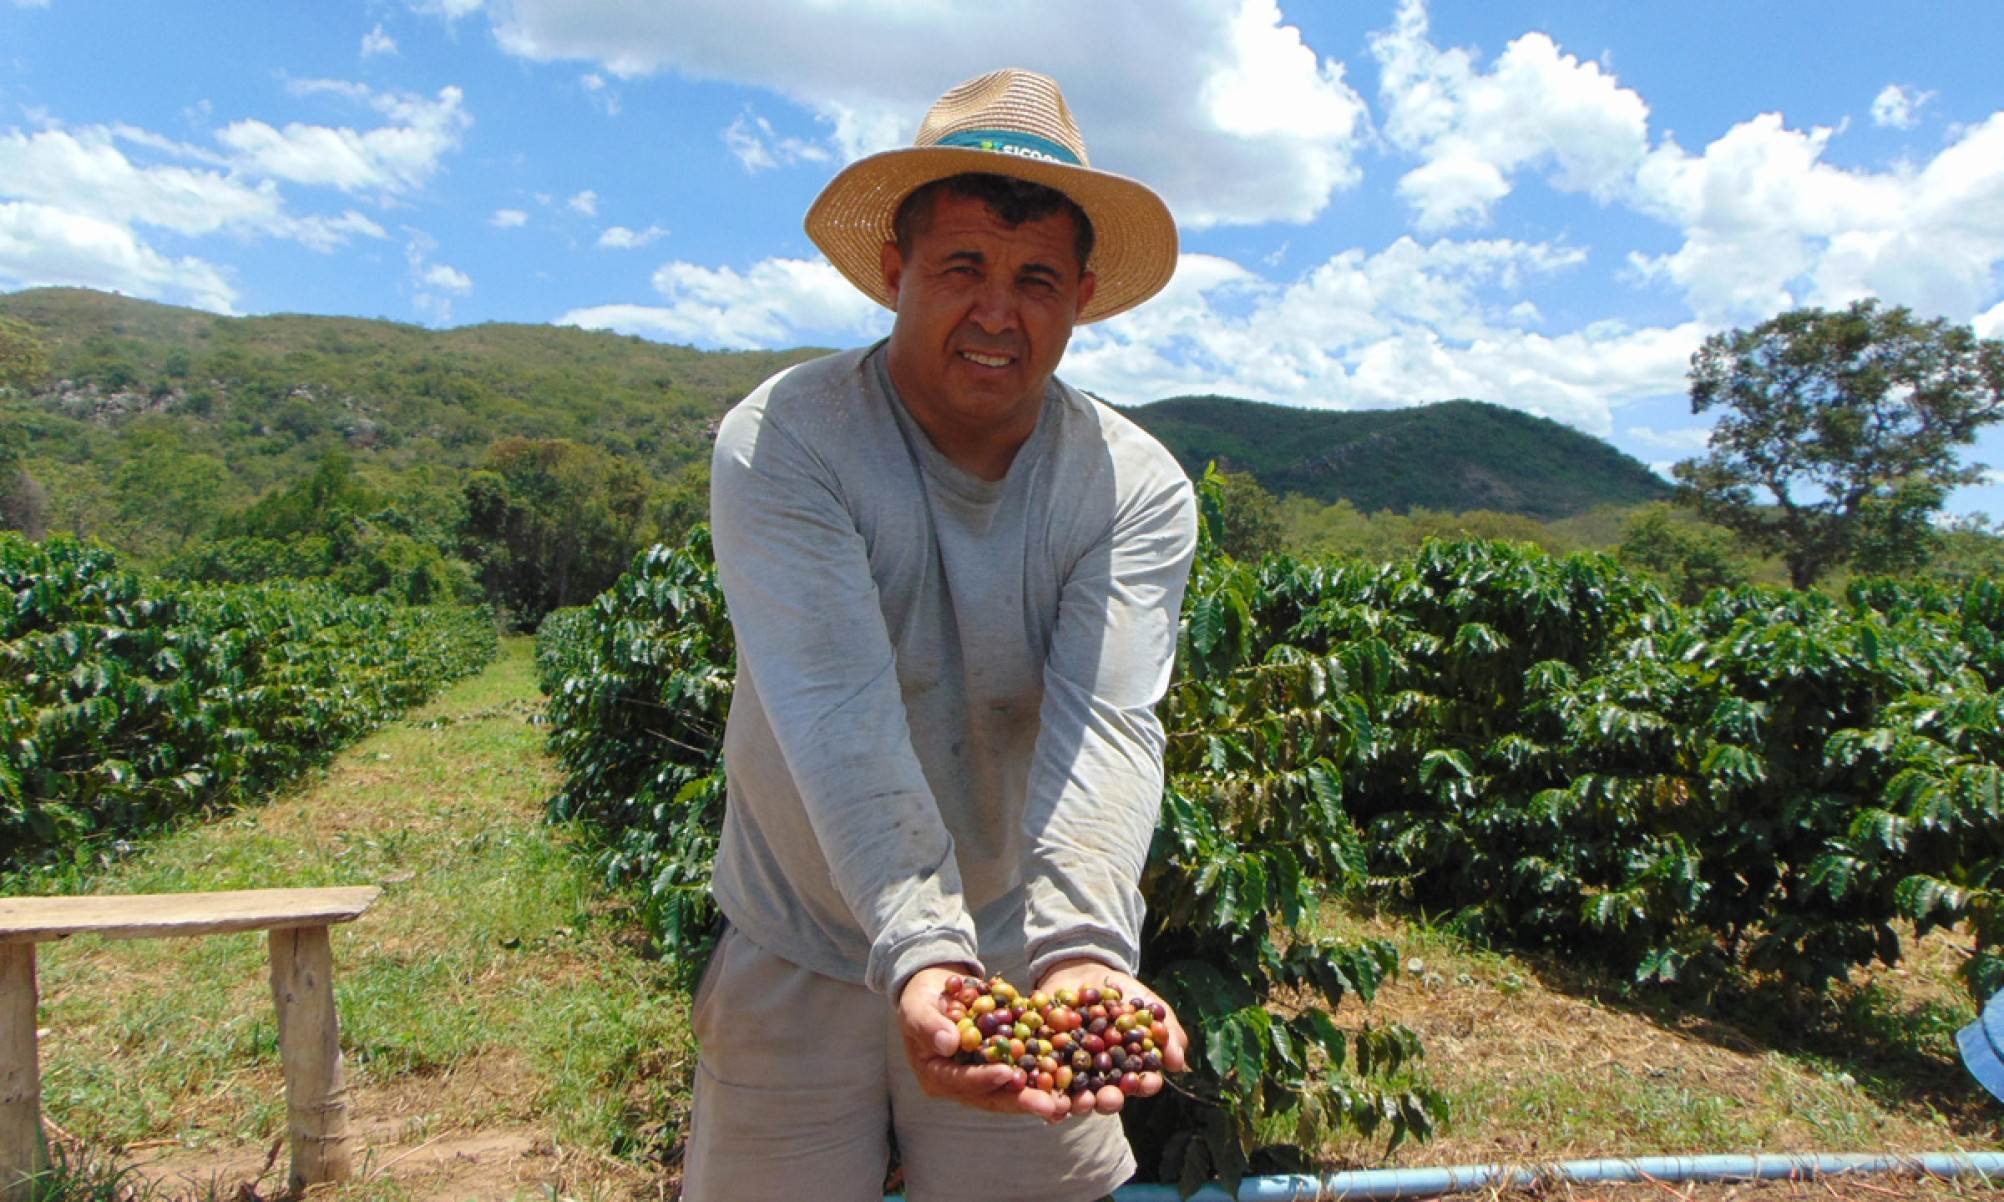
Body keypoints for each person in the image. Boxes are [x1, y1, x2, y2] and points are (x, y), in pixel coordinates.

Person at [685, 68, 1197, 1202]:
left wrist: (1082, 958)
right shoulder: (791, 442)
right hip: (798, 931)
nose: (997, 311)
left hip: (1020, 944)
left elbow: (1108, 727)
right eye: (962, 266)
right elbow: (835, 710)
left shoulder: (1130, 487)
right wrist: (923, 946)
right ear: (893, 270)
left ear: (1083, 294)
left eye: (1036, 279)